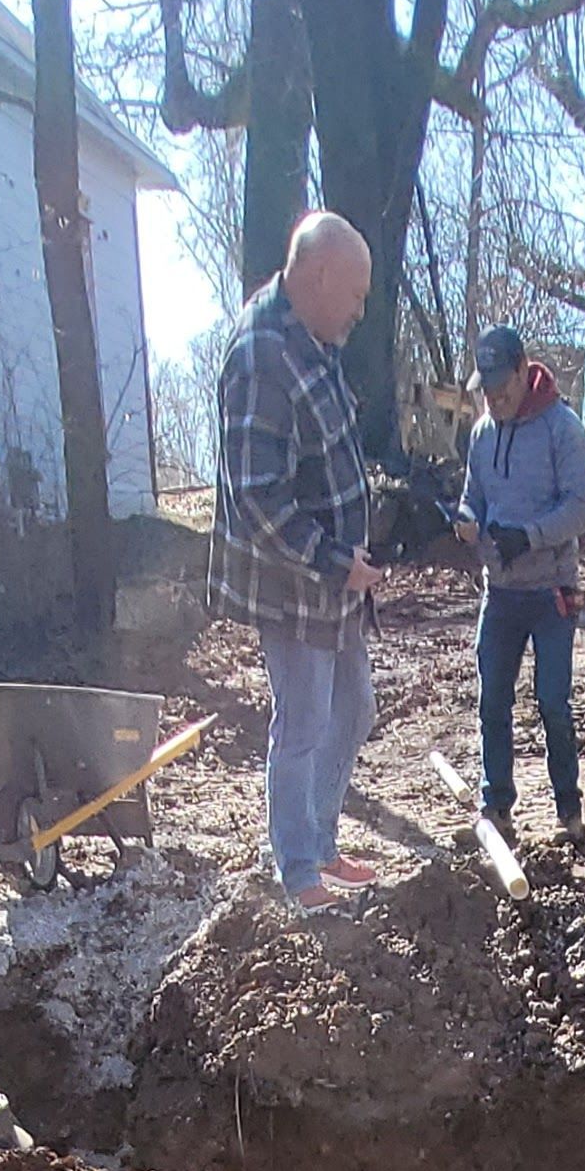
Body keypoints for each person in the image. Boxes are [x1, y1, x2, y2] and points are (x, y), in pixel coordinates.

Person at [209, 211, 389, 907]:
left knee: (354, 711)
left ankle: (318, 843)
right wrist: (330, 559)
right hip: (294, 583)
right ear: (315, 276)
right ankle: (296, 872)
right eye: (356, 292)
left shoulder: (312, 339)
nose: (361, 309)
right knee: (305, 723)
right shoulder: (261, 357)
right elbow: (255, 495)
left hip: (336, 579)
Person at [459, 325, 585, 843]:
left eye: (502, 389)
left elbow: (583, 507)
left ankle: (570, 811)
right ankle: (496, 806)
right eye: (487, 392)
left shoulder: (564, 430)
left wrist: (532, 537)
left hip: (551, 591)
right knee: (492, 700)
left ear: (523, 371)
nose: (494, 400)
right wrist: (466, 517)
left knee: (553, 703)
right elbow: (474, 492)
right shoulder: (481, 434)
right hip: (499, 592)